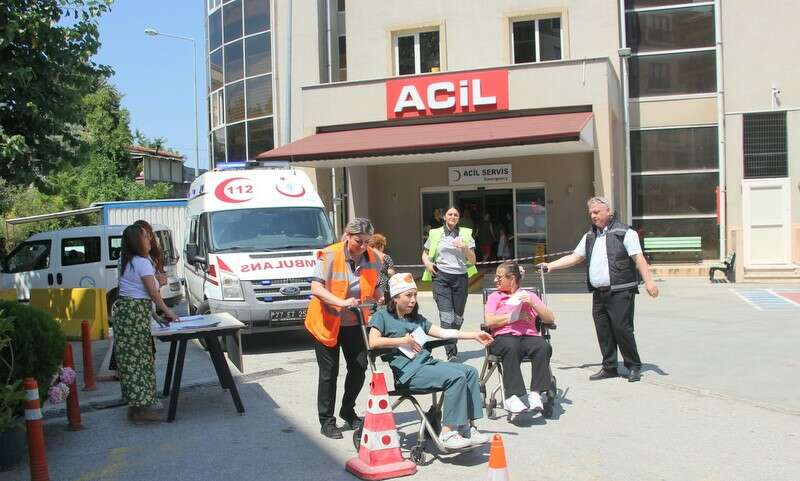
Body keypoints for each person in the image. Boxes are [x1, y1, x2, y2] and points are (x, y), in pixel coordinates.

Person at [538, 196, 658, 382]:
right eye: (591, 213)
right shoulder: (590, 236)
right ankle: (609, 367)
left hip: (620, 290)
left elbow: (639, 258)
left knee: (622, 329)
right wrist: (550, 266)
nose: (593, 216)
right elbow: (575, 257)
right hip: (599, 293)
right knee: (603, 330)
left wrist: (649, 282)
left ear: (608, 211)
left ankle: (633, 366)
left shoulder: (625, 232)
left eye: (596, 212)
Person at [369, 273, 494, 449]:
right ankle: (448, 433)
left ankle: (466, 428)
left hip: (427, 365)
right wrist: (402, 341)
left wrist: (474, 335)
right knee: (456, 377)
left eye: (415, 295)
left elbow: (444, 332)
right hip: (409, 374)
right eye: (408, 295)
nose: (413, 300)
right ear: (395, 297)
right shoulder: (382, 316)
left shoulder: (417, 319)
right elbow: (373, 342)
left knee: (470, 372)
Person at [305, 218, 384, 439]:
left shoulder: (374, 257)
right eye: (359, 241)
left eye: (367, 242)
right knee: (329, 372)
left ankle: (348, 411)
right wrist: (341, 302)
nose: (363, 246)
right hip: (326, 322)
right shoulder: (328, 255)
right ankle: (327, 421)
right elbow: (316, 288)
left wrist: (379, 296)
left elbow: (376, 285)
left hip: (355, 322)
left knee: (359, 367)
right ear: (348, 236)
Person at [113, 224, 178, 424]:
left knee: (131, 361)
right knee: (139, 361)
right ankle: (141, 410)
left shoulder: (128, 261)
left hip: (128, 314)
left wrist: (156, 316)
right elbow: (152, 293)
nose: (150, 240)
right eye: (145, 237)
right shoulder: (141, 262)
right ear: (136, 241)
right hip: (134, 316)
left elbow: (138, 292)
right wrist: (169, 312)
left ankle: (136, 407)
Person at [484, 262, 555, 413]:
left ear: (512, 279)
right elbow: (489, 321)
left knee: (543, 346)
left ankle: (536, 393)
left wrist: (534, 304)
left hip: (528, 335)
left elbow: (550, 319)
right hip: (504, 336)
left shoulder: (529, 296)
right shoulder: (495, 297)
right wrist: (513, 317)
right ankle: (513, 396)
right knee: (511, 346)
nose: (495, 280)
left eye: (499, 277)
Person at [421, 206, 478, 361]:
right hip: (441, 278)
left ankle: (452, 340)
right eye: (450, 214)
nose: (453, 217)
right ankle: (451, 352)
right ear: (444, 217)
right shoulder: (435, 233)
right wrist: (428, 263)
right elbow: (425, 254)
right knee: (447, 317)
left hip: (460, 278)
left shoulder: (465, 234)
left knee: (457, 318)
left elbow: (473, 260)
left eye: (456, 215)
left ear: (458, 218)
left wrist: (464, 247)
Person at [367, 233, 396, 304]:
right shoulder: (385, 257)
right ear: (381, 245)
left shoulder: (366, 256)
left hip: (369, 286)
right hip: (383, 287)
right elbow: (390, 273)